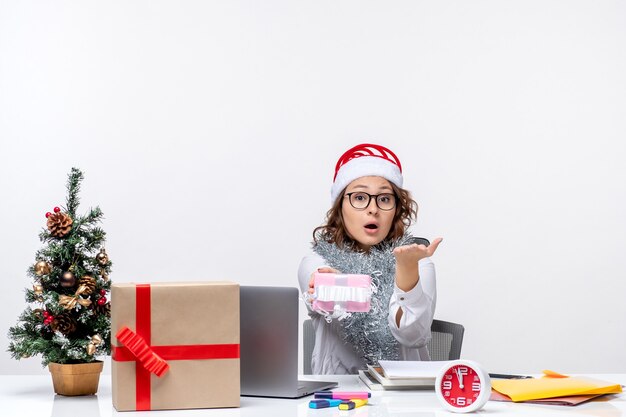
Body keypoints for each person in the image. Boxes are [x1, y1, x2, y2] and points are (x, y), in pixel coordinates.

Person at [298, 143, 442, 375]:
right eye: (359, 197)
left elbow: (413, 335)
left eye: (384, 199)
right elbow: (329, 296)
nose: (372, 209)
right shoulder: (316, 260)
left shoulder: (417, 262)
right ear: (340, 207)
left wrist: (406, 273)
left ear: (396, 209)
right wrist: (332, 287)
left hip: (406, 396)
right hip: (338, 395)